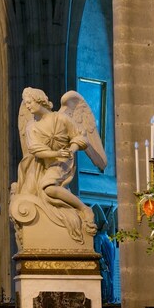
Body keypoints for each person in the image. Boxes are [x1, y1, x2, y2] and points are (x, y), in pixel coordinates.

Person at [14, 87, 97, 243]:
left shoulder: (61, 118)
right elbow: (36, 151)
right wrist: (56, 154)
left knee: (48, 187)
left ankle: (84, 209)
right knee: (28, 193)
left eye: (30, 102)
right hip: (44, 162)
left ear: (40, 100)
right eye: (26, 104)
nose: (28, 106)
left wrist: (70, 150)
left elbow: (81, 138)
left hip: (64, 161)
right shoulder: (31, 127)